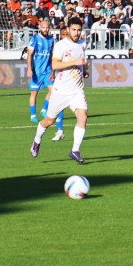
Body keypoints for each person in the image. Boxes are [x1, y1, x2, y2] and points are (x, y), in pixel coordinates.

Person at [31, 16, 89, 164]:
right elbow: (55, 65)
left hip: (77, 89)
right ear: (68, 29)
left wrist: (84, 69)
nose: (76, 33)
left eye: (79, 30)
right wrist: (75, 62)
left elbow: (81, 61)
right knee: (49, 121)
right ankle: (37, 139)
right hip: (61, 90)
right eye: (74, 30)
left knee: (83, 118)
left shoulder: (82, 43)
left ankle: (75, 150)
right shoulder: (60, 45)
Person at [25, 18, 66, 139]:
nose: (46, 29)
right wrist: (29, 69)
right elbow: (29, 55)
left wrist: (53, 71)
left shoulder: (51, 40)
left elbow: (53, 56)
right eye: (43, 27)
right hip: (36, 72)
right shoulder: (35, 39)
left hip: (48, 71)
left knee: (53, 91)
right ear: (40, 28)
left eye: (47, 28)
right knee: (34, 93)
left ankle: (44, 109)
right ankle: (33, 115)